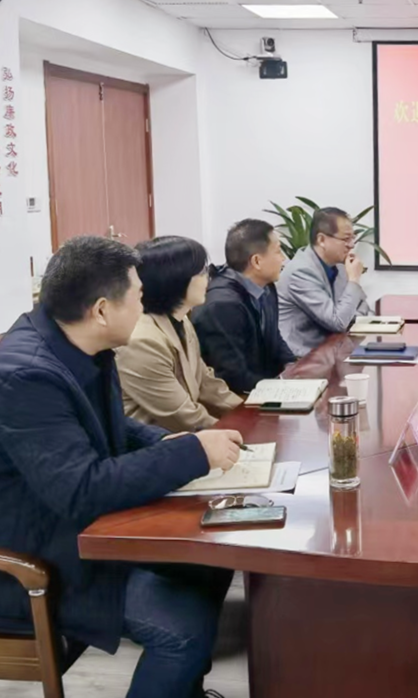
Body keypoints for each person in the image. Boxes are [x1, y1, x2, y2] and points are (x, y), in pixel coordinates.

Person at [0, 236, 245, 698]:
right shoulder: (26, 376)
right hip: (42, 555)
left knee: (210, 561)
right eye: (137, 295)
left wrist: (171, 441)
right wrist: (193, 453)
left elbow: (112, 424)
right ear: (100, 310)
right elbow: (82, 489)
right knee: (183, 629)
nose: (143, 306)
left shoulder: (80, 343)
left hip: (83, 531)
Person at [117, 236, 243, 433]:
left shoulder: (181, 319)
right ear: (175, 279)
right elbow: (182, 415)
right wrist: (241, 433)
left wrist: (251, 413)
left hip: (182, 434)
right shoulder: (142, 341)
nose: (208, 278)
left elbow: (206, 383)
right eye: (202, 272)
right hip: (156, 443)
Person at [192, 219, 297, 395]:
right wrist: (280, 388)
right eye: (278, 251)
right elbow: (232, 376)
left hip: (264, 386)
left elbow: (273, 336)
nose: (283, 259)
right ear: (257, 261)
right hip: (238, 397)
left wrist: (293, 366)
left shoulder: (266, 287)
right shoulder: (223, 306)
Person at [277, 207, 370, 357]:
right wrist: (354, 280)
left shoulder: (338, 265)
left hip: (330, 352)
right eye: (346, 239)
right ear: (321, 240)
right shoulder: (301, 272)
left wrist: (347, 316)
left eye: (353, 238)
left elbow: (362, 305)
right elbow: (338, 323)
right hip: (301, 360)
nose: (352, 245)